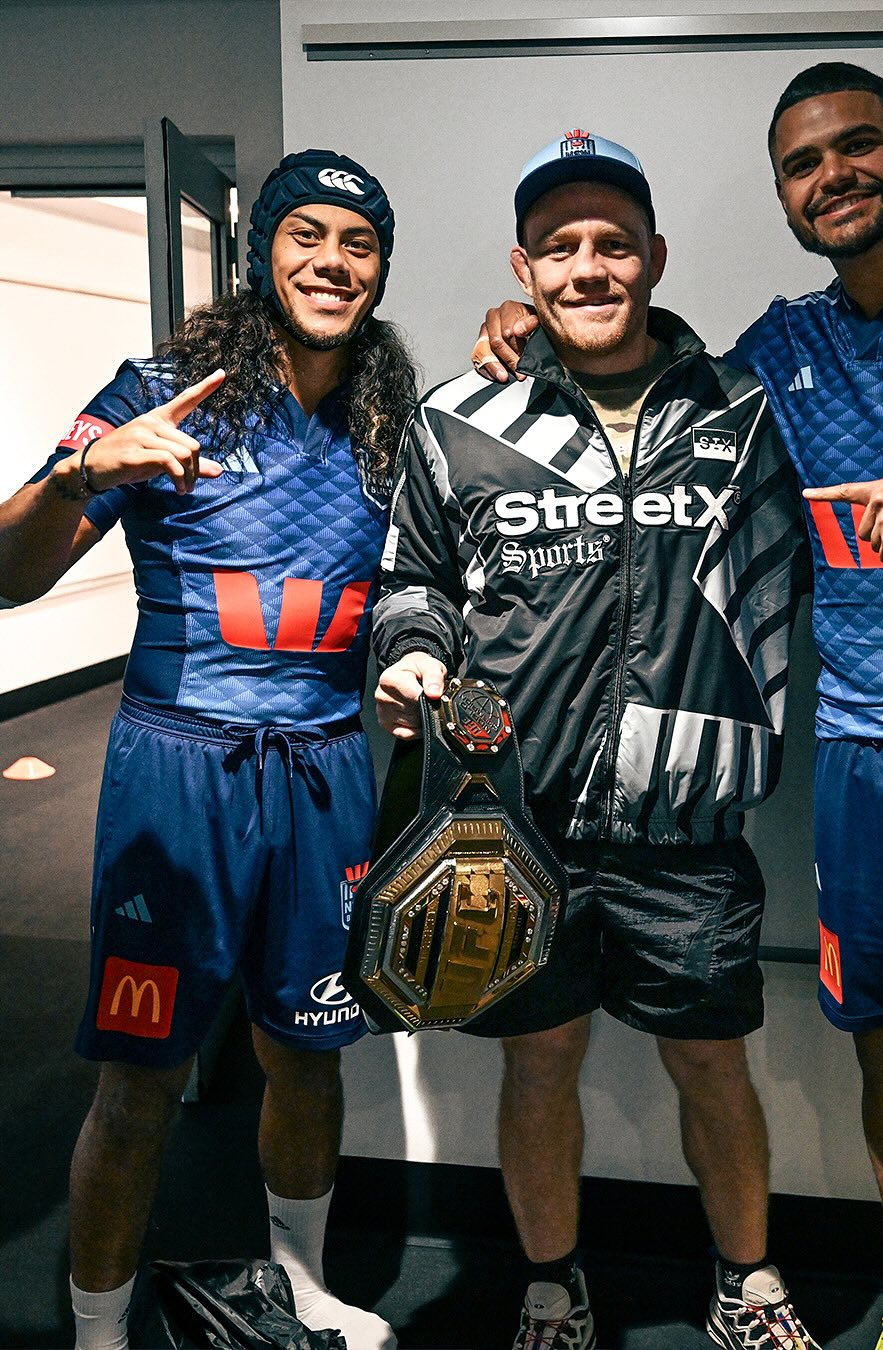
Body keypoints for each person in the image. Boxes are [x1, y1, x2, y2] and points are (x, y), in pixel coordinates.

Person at [474, 64, 883, 1350]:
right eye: (804, 164)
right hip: (858, 760)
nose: (834, 176)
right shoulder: (778, 352)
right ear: (783, 194)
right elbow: (655, 382)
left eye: (859, 146)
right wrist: (531, 332)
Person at [373, 130, 816, 1350]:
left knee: (714, 1067)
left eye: (612, 243)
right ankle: (552, 1289)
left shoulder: (748, 411)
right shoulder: (459, 417)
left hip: (689, 826)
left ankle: (749, 1287)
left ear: (654, 257)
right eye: (559, 246)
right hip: (515, 829)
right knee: (539, 1063)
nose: (587, 266)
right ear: (524, 269)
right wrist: (411, 648)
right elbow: (412, 577)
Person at [0, 148, 417, 1350]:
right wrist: (82, 472)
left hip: (328, 769)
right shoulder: (161, 390)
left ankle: (301, 1284)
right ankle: (98, 1331)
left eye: (358, 243)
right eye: (306, 235)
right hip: (178, 773)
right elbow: (9, 576)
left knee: (312, 1057)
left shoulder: (394, 421)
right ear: (259, 253)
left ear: (380, 270)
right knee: (140, 1080)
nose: (332, 262)